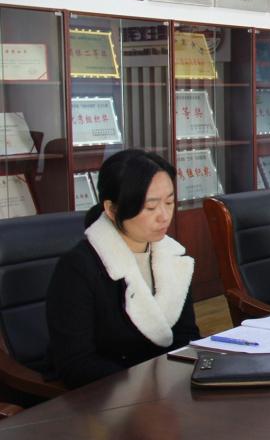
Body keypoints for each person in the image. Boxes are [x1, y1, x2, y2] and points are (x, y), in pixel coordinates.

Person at [47, 150, 199, 389]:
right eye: (150, 207)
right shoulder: (78, 268)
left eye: (169, 202)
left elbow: (185, 336)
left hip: (167, 388)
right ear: (112, 209)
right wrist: (145, 388)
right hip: (108, 396)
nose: (164, 216)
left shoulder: (172, 256)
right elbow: (76, 364)